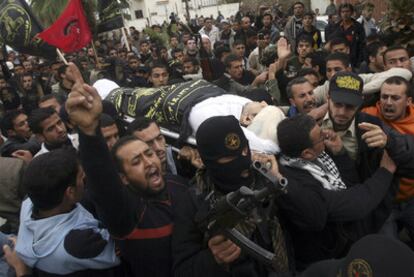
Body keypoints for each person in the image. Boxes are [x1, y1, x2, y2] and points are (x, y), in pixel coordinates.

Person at [65, 63, 189, 276]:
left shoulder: (179, 185)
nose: (149, 162)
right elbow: (102, 182)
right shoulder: (128, 214)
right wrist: (88, 130)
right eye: (136, 162)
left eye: (148, 154)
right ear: (122, 178)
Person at [172, 115, 292, 276]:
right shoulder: (193, 201)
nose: (242, 162)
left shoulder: (263, 175)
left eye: (244, 150)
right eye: (228, 158)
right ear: (209, 162)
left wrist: (279, 182)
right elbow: (183, 270)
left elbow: (308, 220)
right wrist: (213, 259)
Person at [277, 114, 397, 270]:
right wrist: (385, 172)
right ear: (307, 153)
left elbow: (350, 185)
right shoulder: (302, 184)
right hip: (325, 259)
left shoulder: (317, 156)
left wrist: (340, 154)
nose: (327, 134)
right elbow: (356, 204)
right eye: (320, 137)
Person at [15, 149, 121, 276]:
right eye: (82, 178)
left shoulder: (29, 203)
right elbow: (129, 246)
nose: (86, 180)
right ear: (70, 192)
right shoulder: (78, 243)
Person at [362, 76, 414, 239]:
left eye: (395, 98)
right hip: (383, 202)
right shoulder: (367, 117)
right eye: (384, 97)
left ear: (408, 101)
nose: (388, 103)